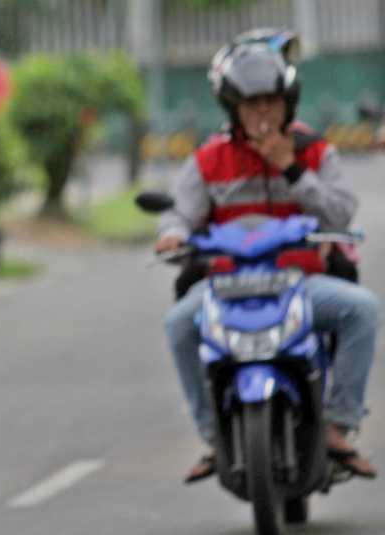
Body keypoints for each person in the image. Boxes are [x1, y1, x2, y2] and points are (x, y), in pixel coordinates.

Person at [156, 29, 380, 483]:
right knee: (179, 323)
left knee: (362, 309)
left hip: (302, 285)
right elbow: (180, 214)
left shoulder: (315, 151)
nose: (262, 113)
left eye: (270, 102)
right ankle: (214, 437)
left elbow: (340, 210)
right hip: (227, 287)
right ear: (232, 109)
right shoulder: (208, 159)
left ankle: (339, 426)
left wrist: (291, 168)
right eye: (251, 104)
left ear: (288, 101)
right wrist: (172, 235)